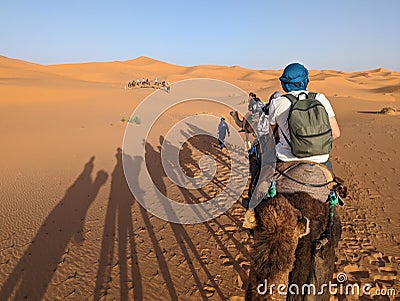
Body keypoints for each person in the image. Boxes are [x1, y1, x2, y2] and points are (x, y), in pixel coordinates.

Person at [268, 63, 340, 170]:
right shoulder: (320, 99)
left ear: (284, 84)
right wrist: (315, 144)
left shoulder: (277, 103)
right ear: (305, 80)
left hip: (287, 158)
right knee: (331, 181)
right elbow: (335, 133)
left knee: (262, 180)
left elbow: (271, 135)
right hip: (320, 159)